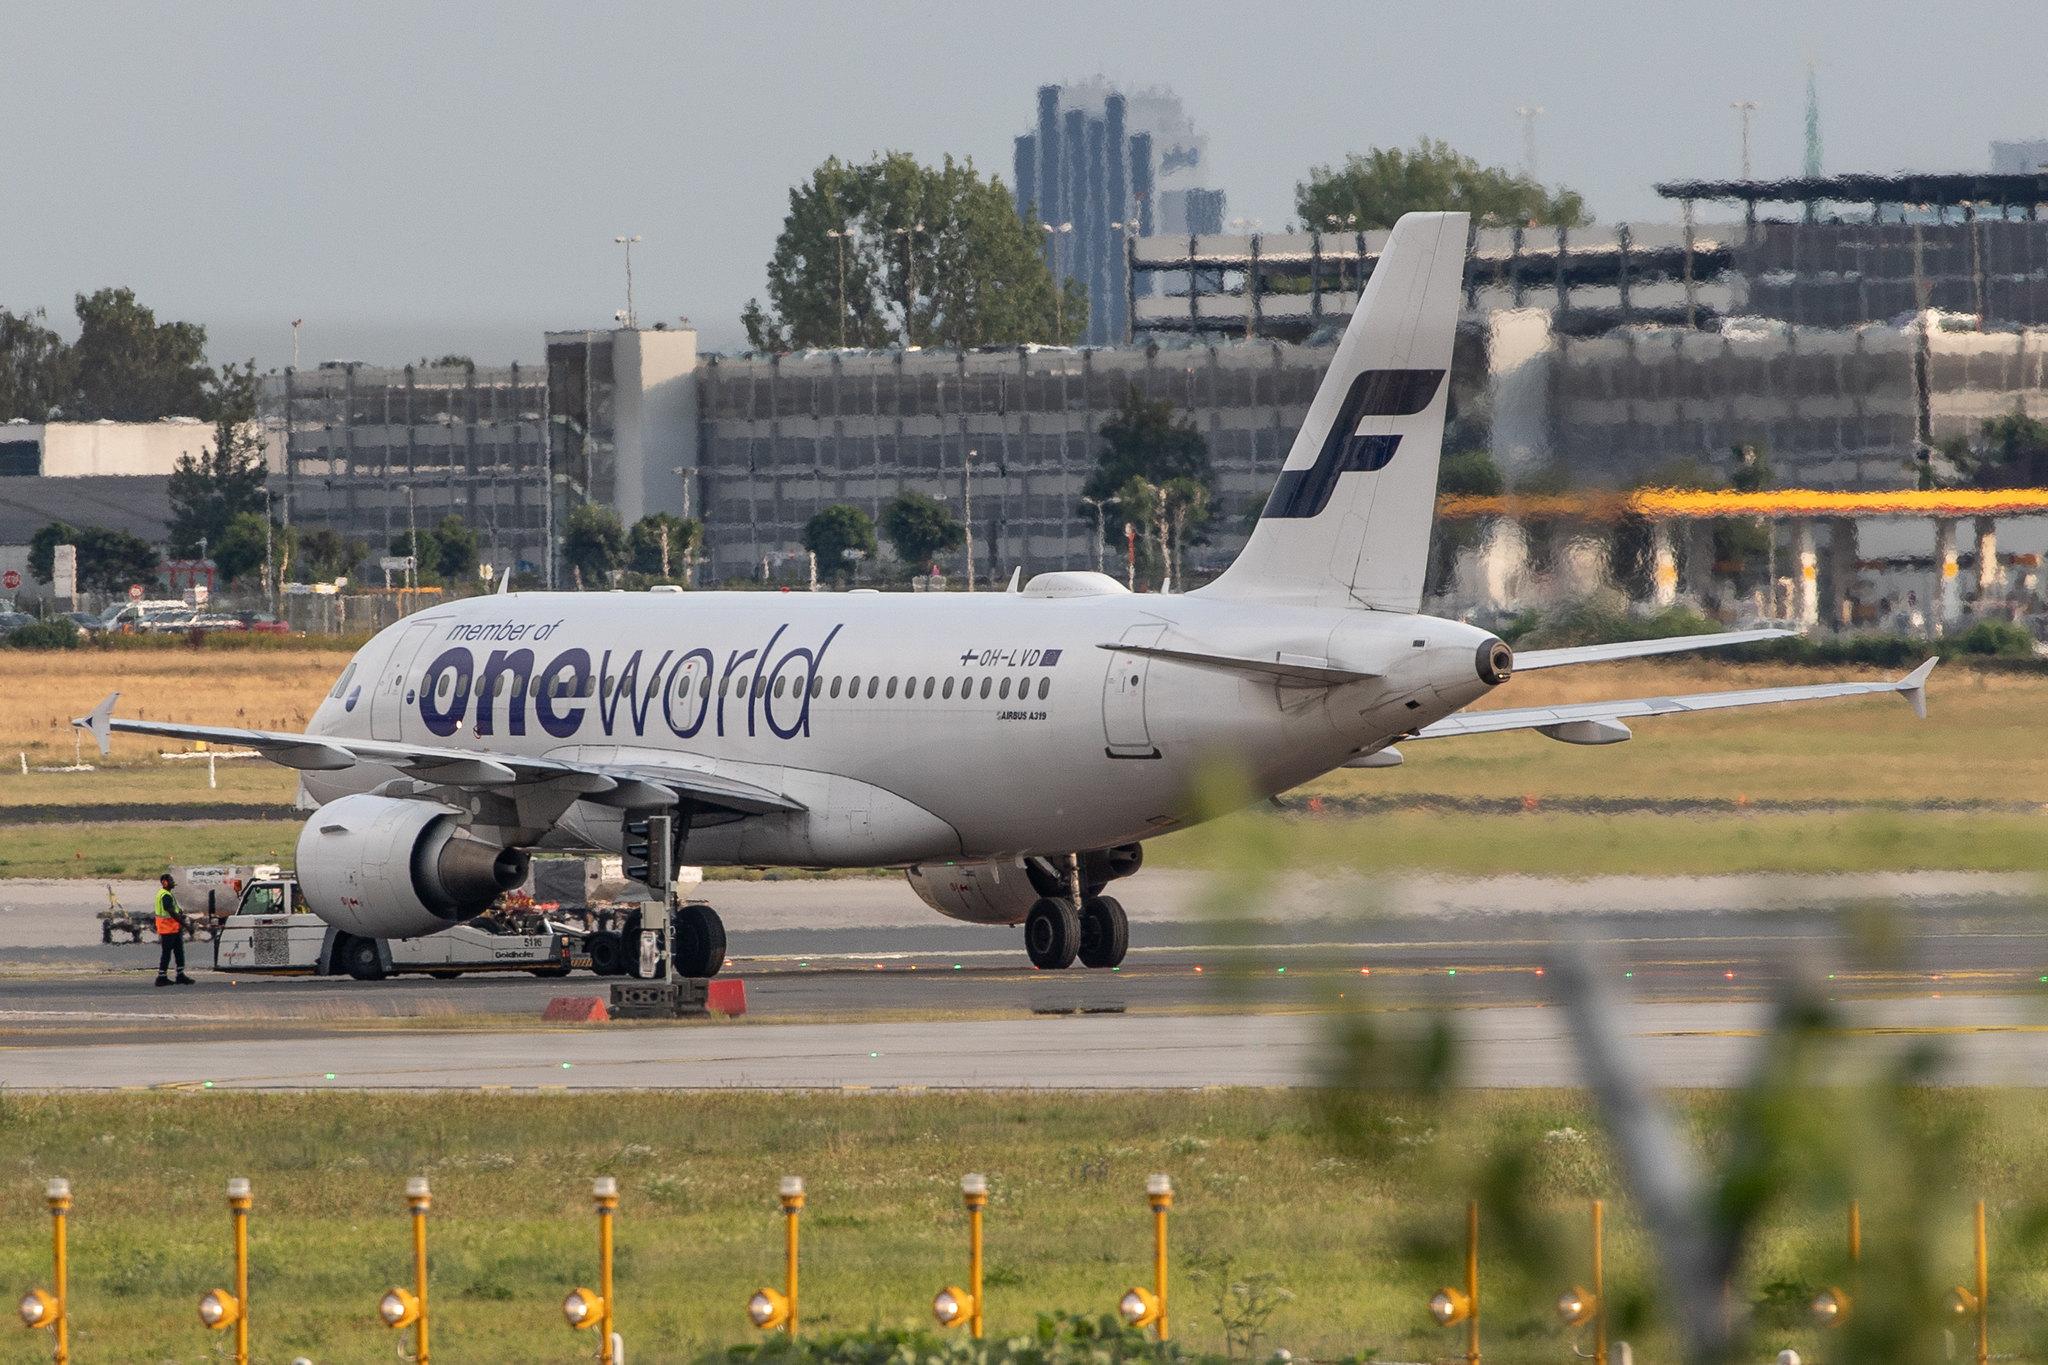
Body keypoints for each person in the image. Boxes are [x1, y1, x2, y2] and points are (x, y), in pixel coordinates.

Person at [154, 872, 194, 987]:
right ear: (165, 882)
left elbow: (174, 910)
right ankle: (161, 978)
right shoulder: (165, 895)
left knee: (179, 952)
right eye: (171, 881)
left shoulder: (166, 894)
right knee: (167, 953)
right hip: (167, 930)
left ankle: (180, 975)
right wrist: (186, 925)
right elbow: (170, 912)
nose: (172, 883)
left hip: (174, 929)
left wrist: (180, 913)